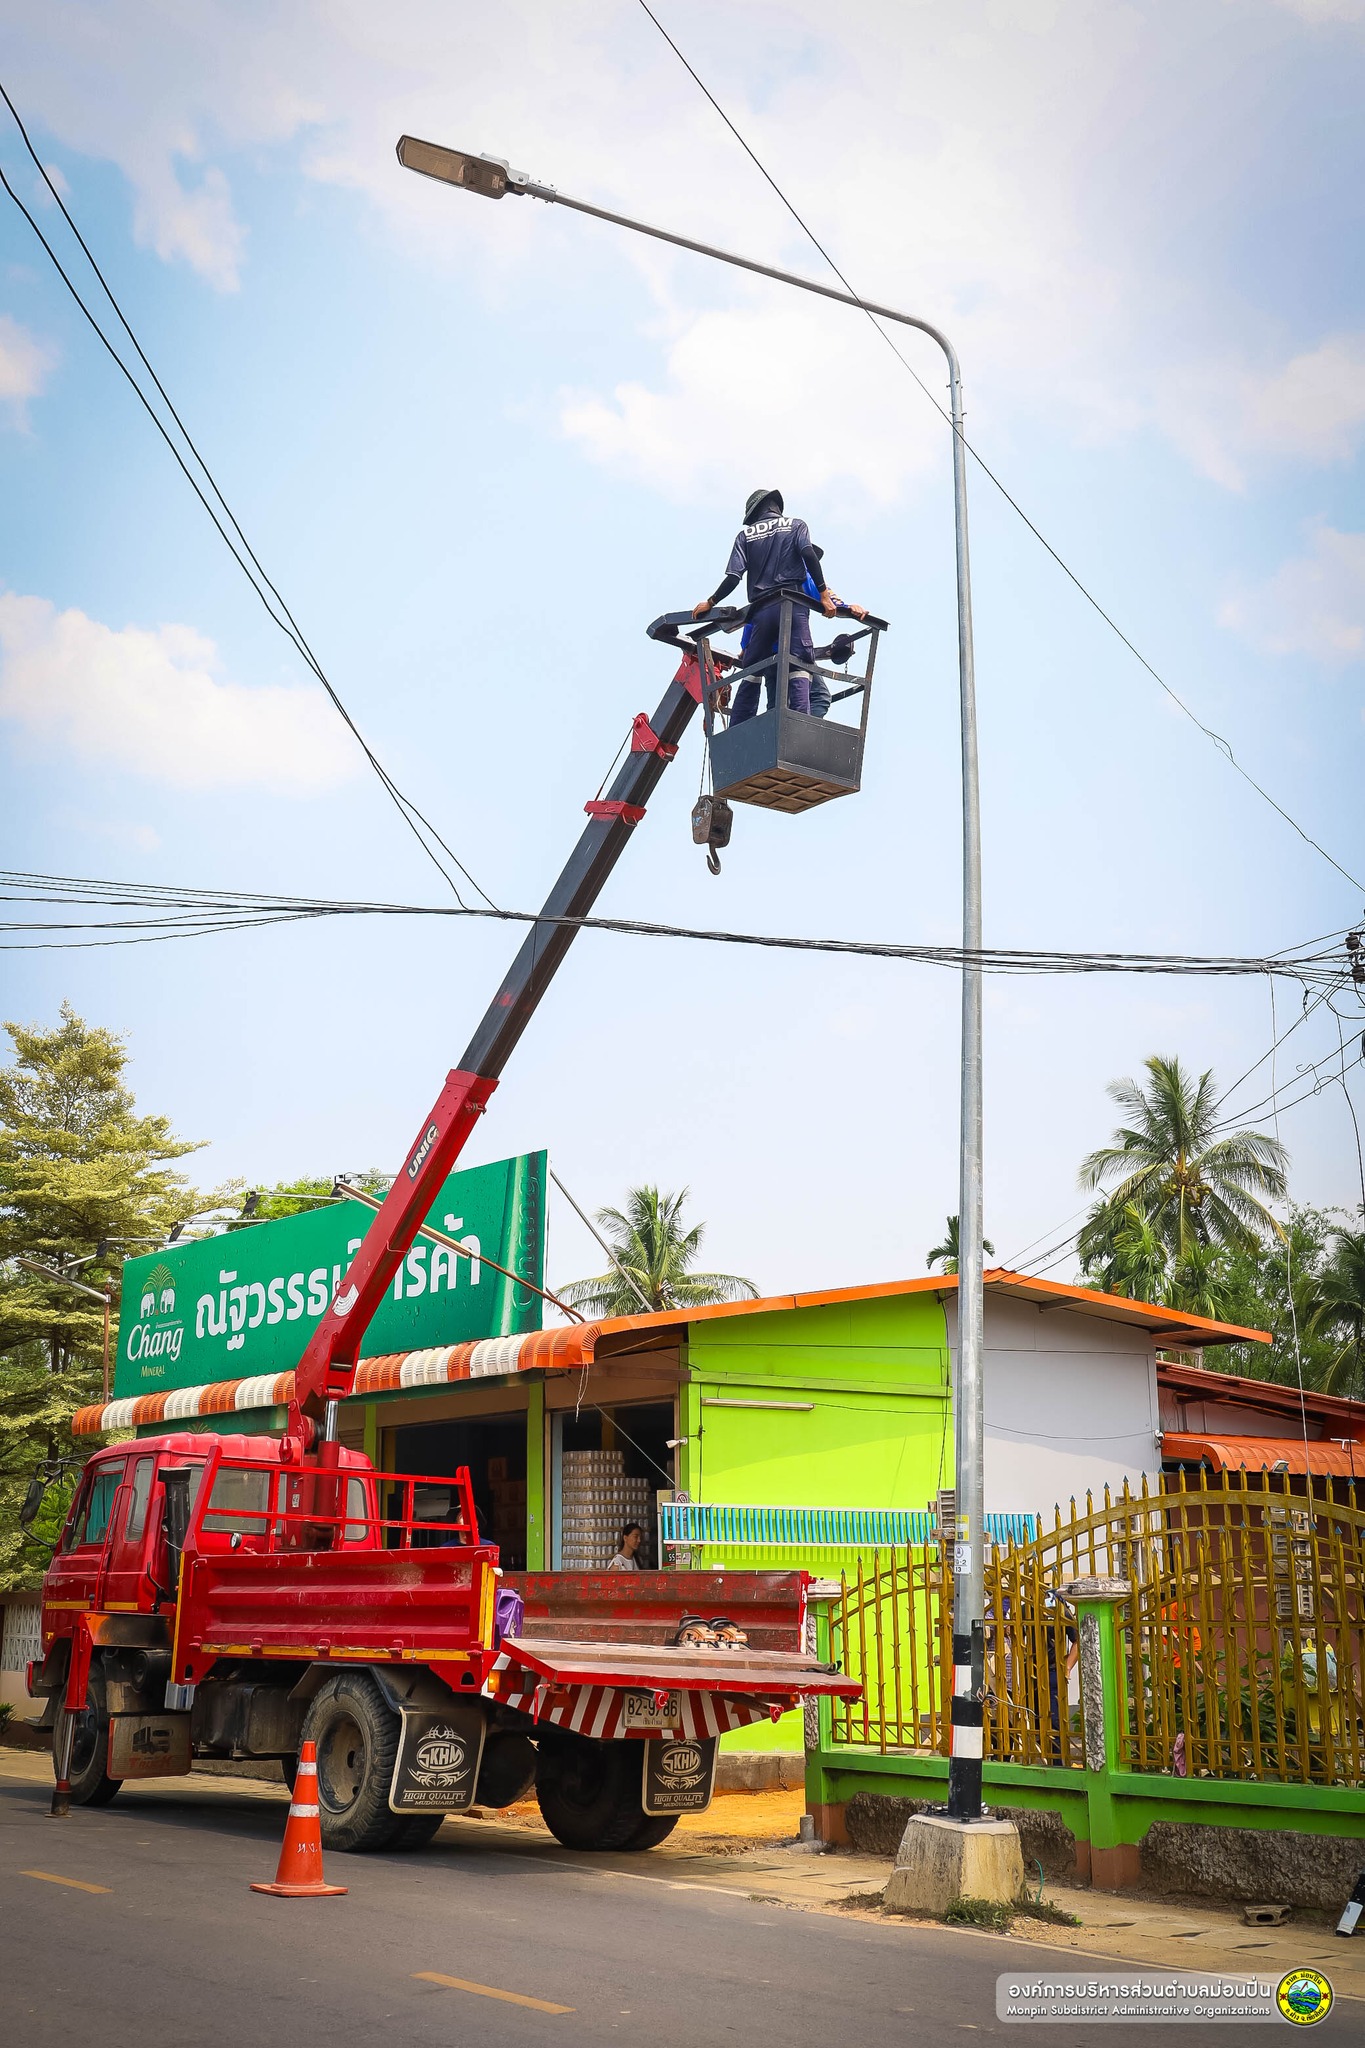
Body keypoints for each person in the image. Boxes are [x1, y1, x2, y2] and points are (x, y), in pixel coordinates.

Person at [694, 490, 862, 726]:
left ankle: (741, 730)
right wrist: (835, 601)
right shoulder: (797, 530)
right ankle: (797, 731)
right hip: (792, 617)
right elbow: (812, 563)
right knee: (802, 671)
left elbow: (734, 580)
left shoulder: (746, 536)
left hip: (762, 622)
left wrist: (710, 602)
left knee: (753, 674)